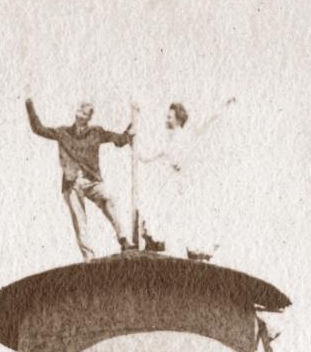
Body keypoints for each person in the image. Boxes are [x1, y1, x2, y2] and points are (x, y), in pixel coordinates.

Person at [25, 94, 134, 260]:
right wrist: (29, 104)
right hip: (72, 183)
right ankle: (88, 257)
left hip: (92, 180)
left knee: (108, 199)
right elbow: (38, 129)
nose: (81, 114)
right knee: (80, 219)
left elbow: (118, 140)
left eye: (85, 113)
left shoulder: (96, 132)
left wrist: (130, 130)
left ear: (89, 117)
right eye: (79, 111)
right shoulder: (63, 133)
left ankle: (124, 239)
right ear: (76, 114)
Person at [137, 97, 235, 258]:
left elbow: (207, 122)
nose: (166, 119)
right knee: (164, 212)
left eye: (169, 117)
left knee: (185, 215)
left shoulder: (186, 135)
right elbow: (148, 155)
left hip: (184, 182)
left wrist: (224, 106)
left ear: (177, 119)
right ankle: (156, 241)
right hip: (171, 182)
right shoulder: (167, 140)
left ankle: (196, 249)